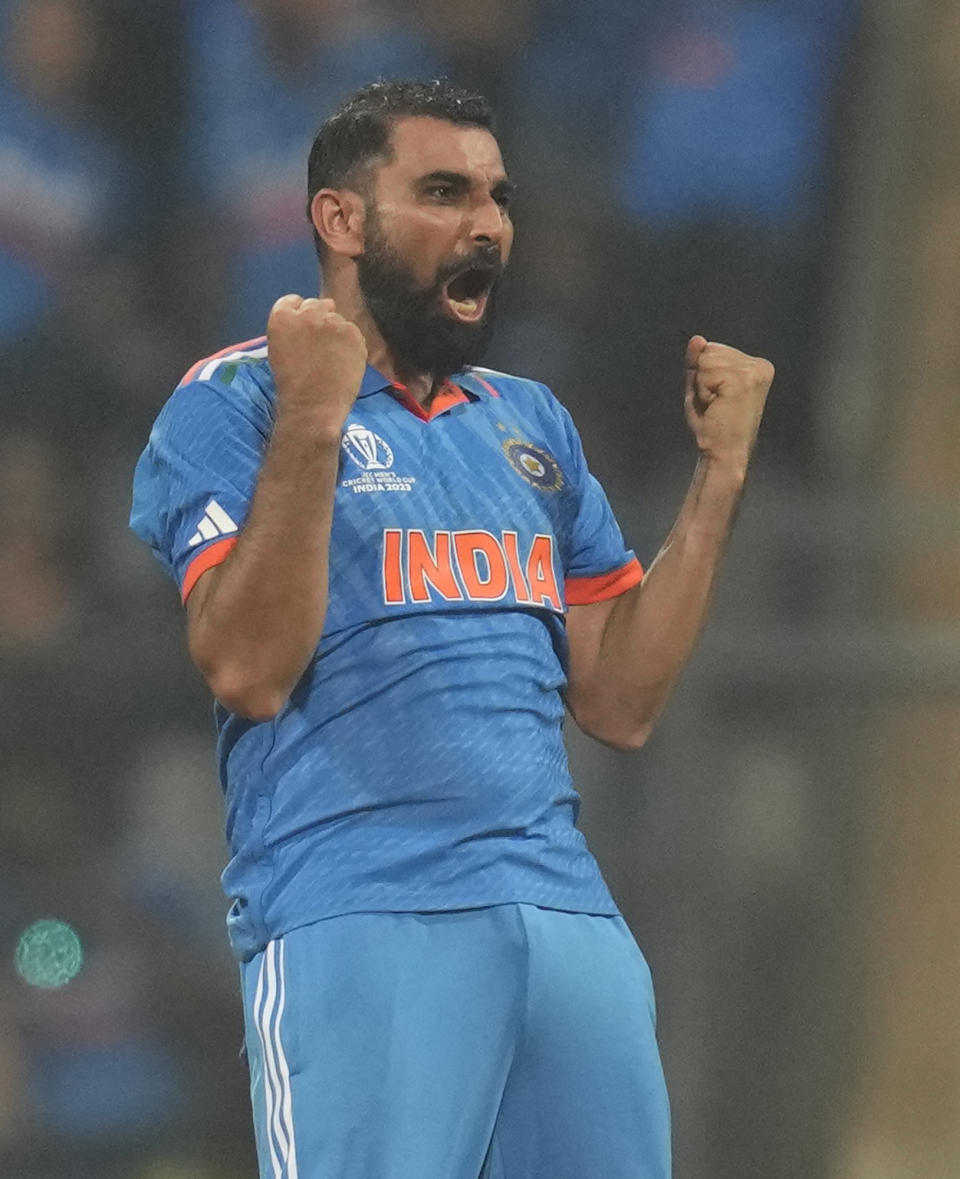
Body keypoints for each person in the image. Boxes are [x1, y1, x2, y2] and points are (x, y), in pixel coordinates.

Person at [130, 79, 773, 1179]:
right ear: (340, 220)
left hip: (565, 916)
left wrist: (718, 480)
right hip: (361, 914)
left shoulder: (532, 423)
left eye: (496, 196)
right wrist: (315, 420)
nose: (487, 222)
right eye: (442, 191)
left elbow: (618, 702)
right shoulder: (233, 401)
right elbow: (244, 667)